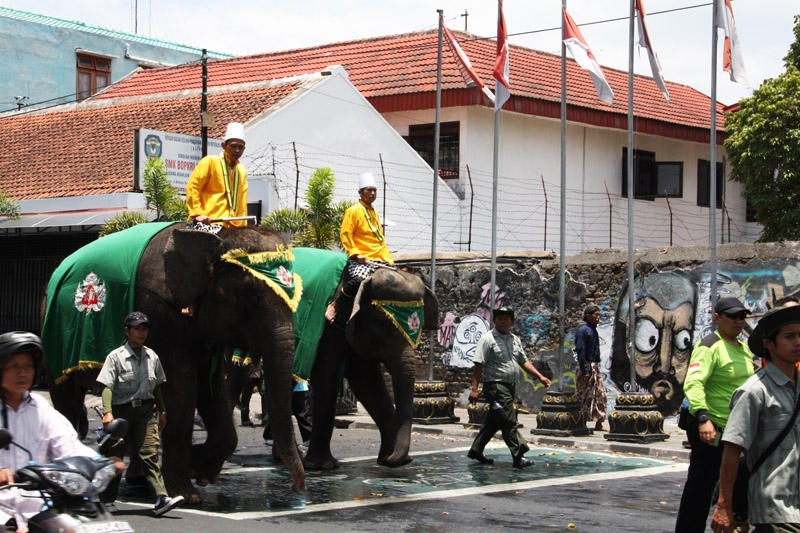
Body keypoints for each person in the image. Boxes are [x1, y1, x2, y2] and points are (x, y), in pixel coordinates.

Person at [0, 332, 123, 532]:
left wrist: (101, 463)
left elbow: (68, 445)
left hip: (40, 510)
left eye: (28, 366)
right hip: (3, 512)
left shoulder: (39, 407)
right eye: (15, 366)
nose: (23, 372)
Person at [711, 305, 800, 533]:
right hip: (775, 509)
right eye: (790, 337)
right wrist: (724, 507)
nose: (798, 342)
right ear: (769, 344)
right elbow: (732, 451)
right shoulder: (753, 392)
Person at [675, 297, 755, 532]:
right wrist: (703, 417)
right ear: (718, 318)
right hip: (713, 426)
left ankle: (736, 523)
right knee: (701, 485)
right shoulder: (710, 345)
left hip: (736, 428)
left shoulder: (743, 348)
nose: (739, 321)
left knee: (739, 479)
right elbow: (693, 383)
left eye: (742, 316)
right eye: (733, 316)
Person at [96, 312, 184, 516]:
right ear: (127, 331)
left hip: (145, 411)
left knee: (149, 453)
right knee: (115, 456)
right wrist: (108, 412)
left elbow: (157, 387)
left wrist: (162, 410)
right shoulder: (115, 357)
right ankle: (107, 499)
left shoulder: (152, 356)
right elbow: (107, 387)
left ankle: (161, 497)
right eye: (137, 329)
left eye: (144, 329)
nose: (142, 333)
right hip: (120, 412)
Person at [467, 307, 551, 468]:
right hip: (495, 387)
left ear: (511, 322)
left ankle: (476, 450)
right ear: (494, 321)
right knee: (508, 420)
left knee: (495, 420)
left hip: (509, 386)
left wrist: (540, 376)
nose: (503, 321)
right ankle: (518, 454)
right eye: (500, 318)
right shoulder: (488, 340)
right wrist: (475, 389)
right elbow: (478, 365)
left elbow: (523, 361)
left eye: (506, 318)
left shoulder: (515, 340)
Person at [325, 172, 393, 323]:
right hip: (362, 260)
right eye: (369, 190)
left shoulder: (374, 212)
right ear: (360, 192)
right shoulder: (353, 210)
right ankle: (335, 305)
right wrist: (356, 253)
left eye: (375, 190)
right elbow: (345, 234)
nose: (373, 193)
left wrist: (388, 259)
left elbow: (379, 238)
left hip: (380, 259)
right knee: (358, 280)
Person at [185, 122, 249, 232]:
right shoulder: (210, 162)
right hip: (208, 222)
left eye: (240, 147)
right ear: (223, 146)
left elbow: (242, 203)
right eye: (233, 146)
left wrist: (243, 227)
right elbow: (193, 187)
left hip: (232, 226)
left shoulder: (241, 170)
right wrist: (197, 214)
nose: (237, 150)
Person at [574, 305, 608, 432]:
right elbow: (581, 351)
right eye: (595, 315)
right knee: (583, 396)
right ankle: (580, 421)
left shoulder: (593, 330)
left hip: (594, 366)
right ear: (588, 316)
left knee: (600, 394)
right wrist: (584, 370)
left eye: (599, 314)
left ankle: (599, 422)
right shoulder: (583, 331)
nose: (598, 317)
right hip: (586, 366)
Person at [262, 378, 312, 448]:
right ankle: (270, 435)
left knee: (302, 413)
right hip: (284, 385)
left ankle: (308, 437)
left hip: (301, 387)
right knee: (279, 411)